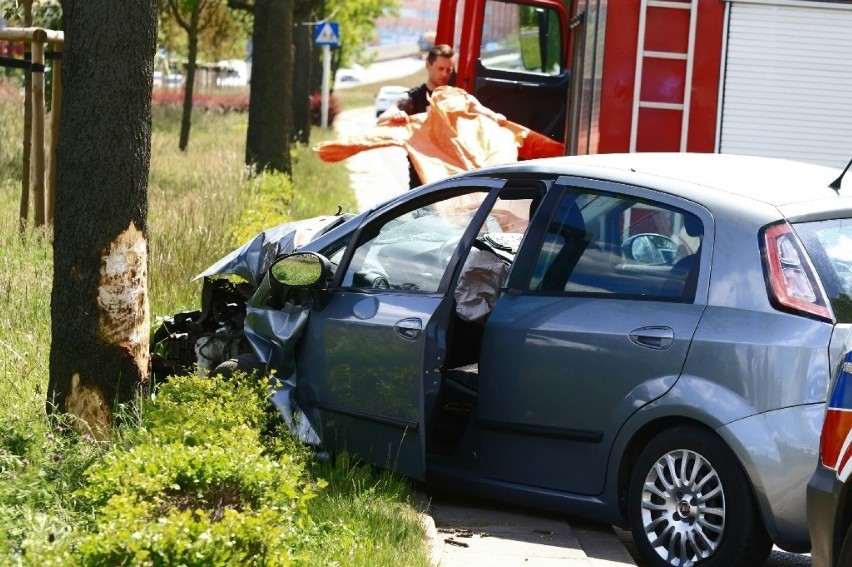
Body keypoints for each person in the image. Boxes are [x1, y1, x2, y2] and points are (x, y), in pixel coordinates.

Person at [379, 43, 506, 189]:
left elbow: (478, 108)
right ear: (428, 65)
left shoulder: (458, 97)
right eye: (440, 69)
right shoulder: (412, 97)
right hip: (422, 177)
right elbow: (384, 117)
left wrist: (495, 116)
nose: (445, 74)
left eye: (449, 70)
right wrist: (396, 115)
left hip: (452, 175)